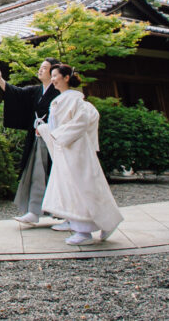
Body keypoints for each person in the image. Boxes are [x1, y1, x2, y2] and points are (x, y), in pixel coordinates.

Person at [35, 64, 123, 246]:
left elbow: (82, 121)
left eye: (55, 75)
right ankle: (104, 221)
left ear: (66, 78)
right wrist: (44, 130)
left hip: (77, 150)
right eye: (51, 76)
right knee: (76, 188)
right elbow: (56, 127)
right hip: (66, 148)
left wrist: (56, 134)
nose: (52, 79)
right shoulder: (62, 100)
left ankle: (85, 231)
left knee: (83, 187)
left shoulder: (75, 100)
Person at [0, 58, 61, 225]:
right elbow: (16, 93)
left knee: (58, 175)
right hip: (37, 138)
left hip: (55, 140)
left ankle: (65, 213)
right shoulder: (36, 90)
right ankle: (33, 211)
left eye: (45, 68)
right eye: (40, 67)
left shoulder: (60, 92)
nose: (40, 70)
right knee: (35, 173)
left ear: (55, 73)